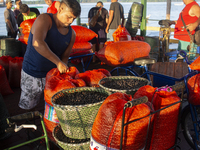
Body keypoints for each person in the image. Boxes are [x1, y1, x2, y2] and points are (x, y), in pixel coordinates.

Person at [18, 0, 81, 110]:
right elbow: (37, 43)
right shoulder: (44, 19)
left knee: (51, 109)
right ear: (60, 9)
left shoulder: (72, 34)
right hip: (32, 73)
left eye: (74, 19)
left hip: (52, 77)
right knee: (27, 108)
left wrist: (63, 70)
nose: (71, 21)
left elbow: (65, 57)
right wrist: (58, 62)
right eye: (69, 17)